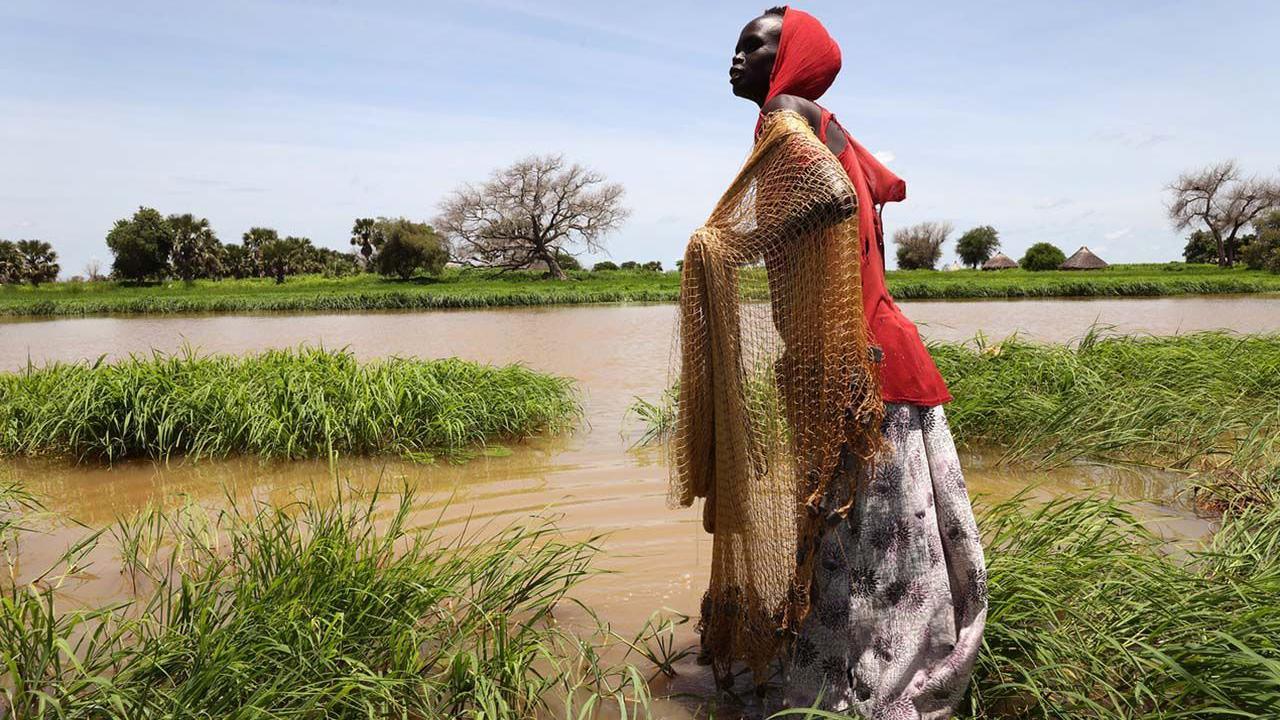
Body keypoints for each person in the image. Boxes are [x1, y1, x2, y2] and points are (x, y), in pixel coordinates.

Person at [723, 7, 988, 717]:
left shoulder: (782, 115)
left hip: (859, 370)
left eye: (755, 45)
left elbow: (829, 199)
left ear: (790, 60)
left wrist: (724, 243)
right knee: (899, 544)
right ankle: (905, 662)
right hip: (884, 358)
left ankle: (870, 689)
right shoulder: (824, 123)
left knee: (869, 548)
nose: (736, 57)